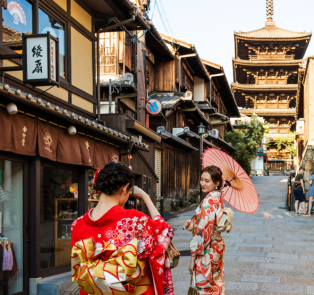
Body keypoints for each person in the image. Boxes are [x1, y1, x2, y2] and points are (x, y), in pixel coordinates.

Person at [71, 162, 174, 295]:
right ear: (124, 189)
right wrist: (145, 197)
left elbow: (79, 267)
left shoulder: (77, 224)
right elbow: (164, 232)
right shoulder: (135, 220)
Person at [184, 165, 225, 295]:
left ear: (217, 182)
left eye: (207, 181)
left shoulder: (208, 202)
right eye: (201, 179)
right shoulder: (217, 197)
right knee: (216, 283)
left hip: (207, 249)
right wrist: (192, 225)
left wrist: (192, 258)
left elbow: (203, 234)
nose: (202, 183)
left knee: (205, 286)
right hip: (217, 247)